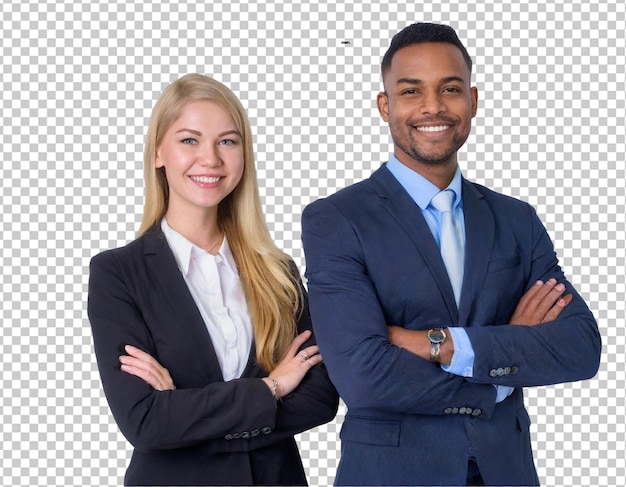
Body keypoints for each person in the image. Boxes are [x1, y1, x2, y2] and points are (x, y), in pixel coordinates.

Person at [301, 23, 601, 486]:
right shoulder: (337, 220)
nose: (433, 107)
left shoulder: (516, 220)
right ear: (385, 106)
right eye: (410, 91)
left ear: (473, 101)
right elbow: (362, 376)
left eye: (450, 89)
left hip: (507, 472)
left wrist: (436, 343)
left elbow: (581, 348)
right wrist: (500, 370)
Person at [88, 73, 338, 486]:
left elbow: (319, 399)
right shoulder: (118, 274)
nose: (211, 158)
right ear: (157, 153)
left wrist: (184, 413)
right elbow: (145, 421)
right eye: (189, 140)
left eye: (227, 141)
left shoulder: (278, 271)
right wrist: (271, 388)